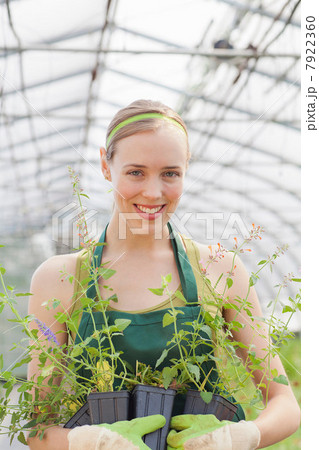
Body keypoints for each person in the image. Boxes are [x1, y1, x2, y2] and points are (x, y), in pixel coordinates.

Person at [27, 99, 300, 449]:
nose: (153, 192)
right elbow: (36, 428)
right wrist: (89, 442)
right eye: (136, 172)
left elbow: (284, 402)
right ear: (105, 166)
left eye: (170, 173)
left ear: (186, 169)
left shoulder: (219, 270)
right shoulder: (60, 279)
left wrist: (241, 435)